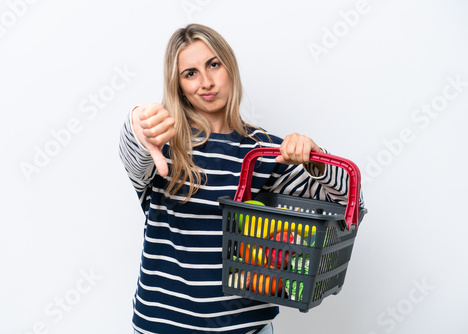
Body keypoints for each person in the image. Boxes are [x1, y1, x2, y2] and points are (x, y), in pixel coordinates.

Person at [119, 23, 359, 334]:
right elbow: (134, 155)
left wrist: (318, 162)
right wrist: (136, 124)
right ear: (177, 85)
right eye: (190, 73)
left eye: (213, 65)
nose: (206, 82)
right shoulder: (163, 146)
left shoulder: (266, 153)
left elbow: (345, 206)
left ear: (229, 67)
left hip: (246, 328)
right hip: (162, 326)